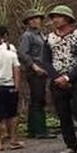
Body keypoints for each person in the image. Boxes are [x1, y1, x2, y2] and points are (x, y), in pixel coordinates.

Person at [44, 5, 77, 153]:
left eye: (58, 17)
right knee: (63, 113)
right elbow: (46, 60)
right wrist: (56, 77)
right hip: (57, 80)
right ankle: (70, 145)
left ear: (67, 18)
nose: (55, 20)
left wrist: (68, 77)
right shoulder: (49, 38)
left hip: (76, 78)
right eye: (53, 17)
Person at [18, 9, 53, 139]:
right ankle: (40, 130)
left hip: (43, 70)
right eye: (31, 19)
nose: (34, 21)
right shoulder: (28, 36)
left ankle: (34, 129)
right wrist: (34, 67)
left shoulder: (40, 35)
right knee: (37, 99)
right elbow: (22, 53)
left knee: (38, 99)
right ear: (27, 22)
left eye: (37, 18)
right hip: (34, 71)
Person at [0, 25, 23, 152]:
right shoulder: (10, 53)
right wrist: (17, 86)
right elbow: (17, 70)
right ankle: (13, 140)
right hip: (10, 86)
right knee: (12, 114)